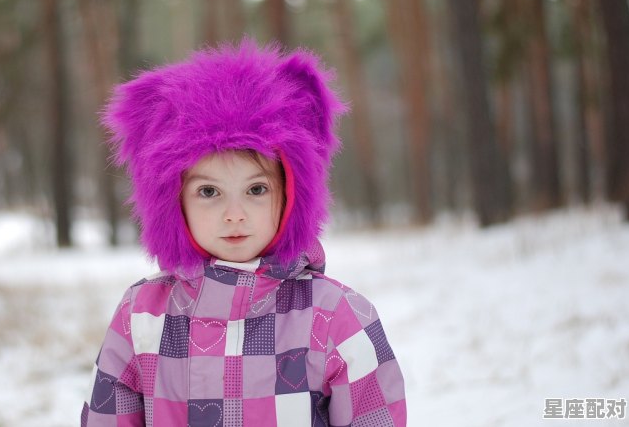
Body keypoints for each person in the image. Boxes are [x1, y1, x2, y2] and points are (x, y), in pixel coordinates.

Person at [81, 40, 406, 426]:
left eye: (256, 190)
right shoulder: (142, 315)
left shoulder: (333, 316)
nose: (234, 215)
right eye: (208, 192)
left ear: (290, 194)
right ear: (172, 201)